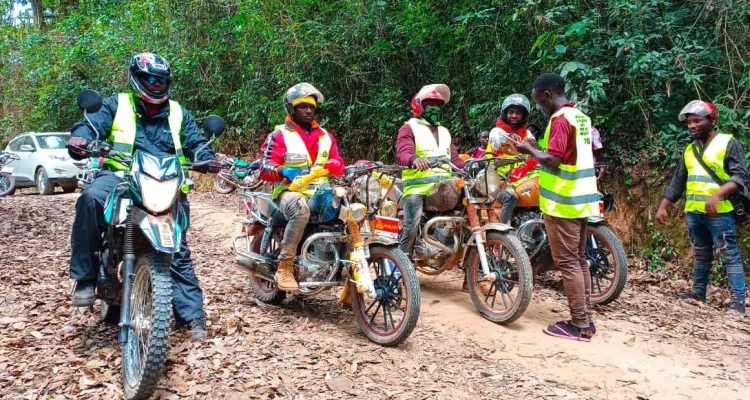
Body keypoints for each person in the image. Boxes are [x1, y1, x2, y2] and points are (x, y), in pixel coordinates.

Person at [67, 52, 220, 341]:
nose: (156, 84)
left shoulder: (177, 112)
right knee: (89, 200)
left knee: (178, 249)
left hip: (165, 183)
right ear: (136, 78)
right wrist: (81, 138)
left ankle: (191, 316)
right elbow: (91, 125)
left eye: (161, 80)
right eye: (150, 78)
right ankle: (85, 279)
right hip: (120, 177)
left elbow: (197, 142)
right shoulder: (116, 104)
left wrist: (206, 157)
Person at [515, 73, 600, 341]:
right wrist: (534, 146)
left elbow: (553, 160)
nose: (538, 106)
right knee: (579, 259)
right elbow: (570, 154)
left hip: (563, 203)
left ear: (548, 95)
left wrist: (529, 150)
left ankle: (578, 324)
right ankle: (586, 319)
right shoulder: (581, 118)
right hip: (583, 199)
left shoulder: (561, 120)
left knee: (568, 263)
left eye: (538, 100)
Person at [656, 100, 747, 314]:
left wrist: (718, 194)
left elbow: (740, 177)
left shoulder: (728, 143)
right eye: (689, 122)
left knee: (729, 254)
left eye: (697, 121)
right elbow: (678, 181)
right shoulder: (690, 149)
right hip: (694, 213)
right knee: (700, 253)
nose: (692, 126)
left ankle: (738, 302)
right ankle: (698, 292)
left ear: (712, 120)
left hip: (721, 213)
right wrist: (664, 205)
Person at [258, 83, 345, 292]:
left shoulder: (326, 136)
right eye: (302, 106)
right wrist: (283, 171)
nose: (308, 110)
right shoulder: (279, 135)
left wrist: (337, 166)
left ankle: (348, 269)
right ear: (291, 109)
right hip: (288, 192)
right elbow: (264, 165)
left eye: (311, 107)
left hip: (320, 190)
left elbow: (338, 163)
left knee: (351, 209)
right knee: (300, 209)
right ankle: (285, 266)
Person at [396, 84, 466, 259]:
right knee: (411, 228)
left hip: (442, 187)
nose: (434, 108)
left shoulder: (444, 131)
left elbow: (455, 160)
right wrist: (414, 160)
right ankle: (402, 269)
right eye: (430, 105)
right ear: (419, 106)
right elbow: (403, 152)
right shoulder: (408, 127)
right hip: (417, 189)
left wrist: (472, 165)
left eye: (437, 105)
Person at [484, 94, 539, 224]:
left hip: (522, 176)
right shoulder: (497, 133)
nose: (514, 116)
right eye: (511, 112)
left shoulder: (527, 134)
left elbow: (534, 155)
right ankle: (504, 236)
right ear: (505, 113)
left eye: (518, 113)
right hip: (500, 179)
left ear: (524, 115)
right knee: (510, 198)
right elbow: (489, 158)